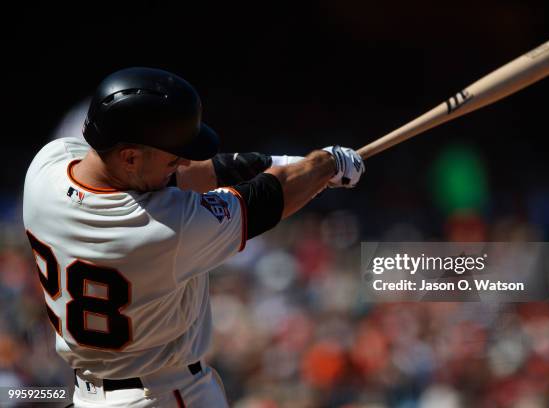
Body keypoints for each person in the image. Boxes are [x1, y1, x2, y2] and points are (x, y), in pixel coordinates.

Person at [22, 67, 364, 407]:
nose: (184, 161)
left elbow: (180, 176)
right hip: (163, 396)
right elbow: (268, 200)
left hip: (90, 396)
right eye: (173, 156)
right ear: (128, 157)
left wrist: (288, 163)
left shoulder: (45, 168)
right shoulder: (163, 228)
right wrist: (325, 164)